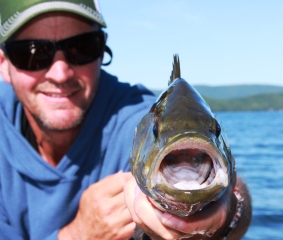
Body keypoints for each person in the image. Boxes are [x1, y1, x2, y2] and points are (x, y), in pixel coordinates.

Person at [0, 0, 252, 239]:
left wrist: (226, 207)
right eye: (31, 53)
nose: (60, 72)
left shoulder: (136, 116)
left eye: (81, 47)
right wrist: (77, 236)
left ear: (102, 50)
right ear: (3, 64)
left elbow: (161, 138)